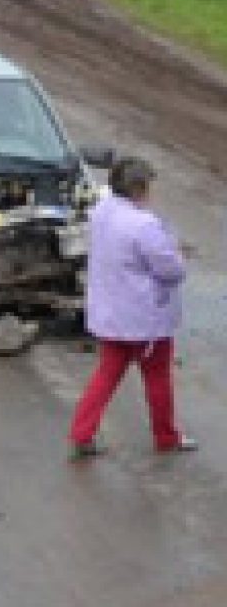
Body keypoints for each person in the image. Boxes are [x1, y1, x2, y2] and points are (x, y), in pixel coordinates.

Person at [68, 157, 197, 459]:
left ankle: (81, 433)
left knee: (105, 377)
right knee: (157, 379)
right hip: (146, 320)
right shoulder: (144, 225)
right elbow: (170, 271)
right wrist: (179, 255)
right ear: (139, 188)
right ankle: (166, 436)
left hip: (111, 316)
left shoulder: (101, 212)